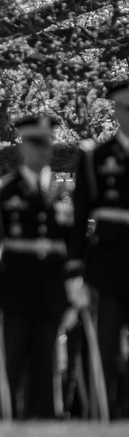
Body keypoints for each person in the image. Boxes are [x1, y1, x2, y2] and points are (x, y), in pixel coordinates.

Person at [0, 114, 84, 420]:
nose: (42, 150)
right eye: (35, 143)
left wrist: (76, 286)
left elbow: (75, 244)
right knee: (12, 362)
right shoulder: (3, 193)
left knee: (46, 365)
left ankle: (44, 423)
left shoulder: (64, 195)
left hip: (52, 292)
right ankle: (2, 421)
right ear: (23, 147)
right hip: (14, 292)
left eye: (47, 143)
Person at [72, 81, 129, 418]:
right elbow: (80, 220)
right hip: (107, 266)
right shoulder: (96, 156)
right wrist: (75, 272)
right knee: (103, 348)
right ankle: (101, 417)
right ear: (118, 111)